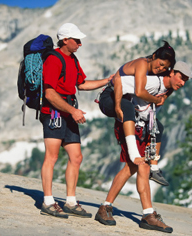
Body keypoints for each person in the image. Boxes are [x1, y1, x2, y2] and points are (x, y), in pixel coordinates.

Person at [95, 61, 192, 233]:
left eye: (186, 80)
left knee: (133, 167)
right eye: (182, 77)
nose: (183, 83)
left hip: (142, 124)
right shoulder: (150, 80)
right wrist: (119, 106)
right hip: (128, 122)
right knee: (138, 166)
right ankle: (145, 215)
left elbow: (154, 106)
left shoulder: (169, 88)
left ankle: (121, 210)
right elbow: (120, 82)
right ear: (172, 72)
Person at [40, 23, 113, 219]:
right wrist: (73, 111)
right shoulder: (53, 60)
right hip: (54, 114)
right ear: (65, 40)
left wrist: (108, 80)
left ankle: (70, 201)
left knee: (76, 157)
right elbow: (49, 93)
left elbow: (81, 84)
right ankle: (47, 201)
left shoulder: (72, 59)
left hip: (68, 111)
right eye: (76, 40)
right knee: (52, 157)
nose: (80, 43)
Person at [98, 41, 176, 185]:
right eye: (160, 64)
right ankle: (134, 153)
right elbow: (139, 91)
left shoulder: (158, 70)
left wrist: (164, 96)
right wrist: (156, 100)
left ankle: (154, 168)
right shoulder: (142, 64)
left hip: (128, 101)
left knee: (158, 127)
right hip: (110, 97)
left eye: (165, 67)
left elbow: (170, 85)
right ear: (153, 56)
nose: (160, 68)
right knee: (127, 108)